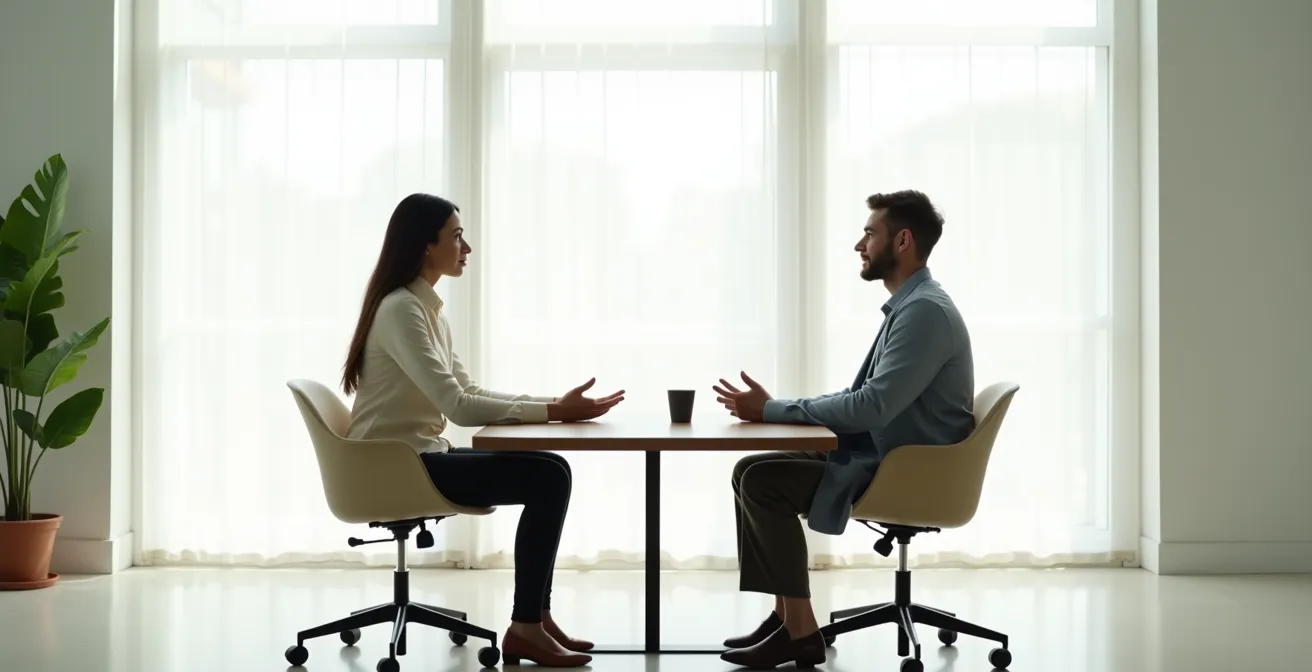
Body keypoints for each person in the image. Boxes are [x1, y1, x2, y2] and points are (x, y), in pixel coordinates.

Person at [342, 193, 624, 668]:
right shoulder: (401, 310)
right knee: (548, 478)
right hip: (396, 467)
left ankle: (536, 617)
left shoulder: (427, 310)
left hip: (419, 457)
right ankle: (525, 629)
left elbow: (467, 390)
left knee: (553, 467)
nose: (466, 247)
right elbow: (459, 406)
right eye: (456, 236)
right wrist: (557, 412)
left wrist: (556, 404)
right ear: (426, 246)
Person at [712, 190, 976, 669]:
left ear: (902, 240)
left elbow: (871, 407)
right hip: (890, 455)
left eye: (869, 233)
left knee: (761, 481)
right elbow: (873, 401)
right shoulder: (913, 305)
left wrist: (773, 408)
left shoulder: (924, 314)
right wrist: (778, 408)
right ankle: (784, 617)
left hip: (906, 469)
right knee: (750, 468)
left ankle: (800, 634)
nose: (860, 244)